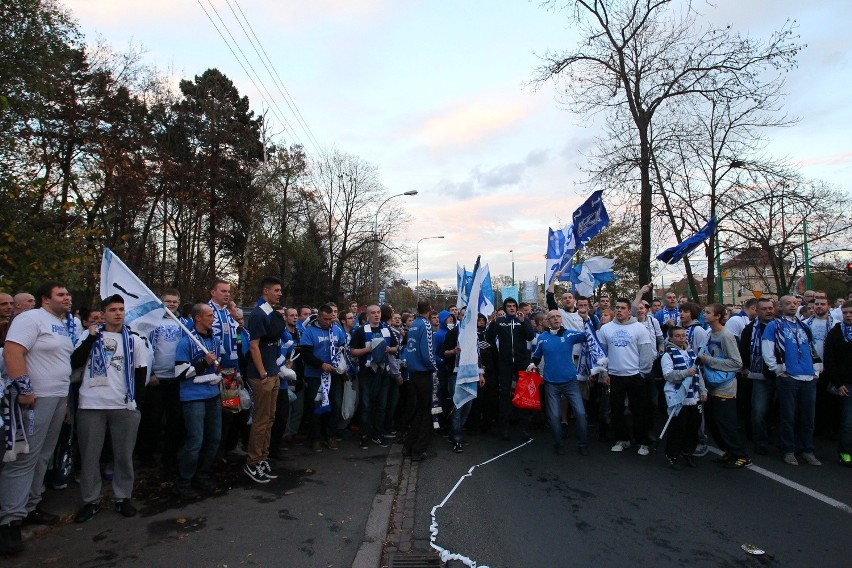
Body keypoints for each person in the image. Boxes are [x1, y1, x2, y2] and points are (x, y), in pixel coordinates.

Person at [0, 282, 75, 554]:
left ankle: (30, 505)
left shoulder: (63, 325)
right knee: (24, 457)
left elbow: (61, 365)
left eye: (68, 295)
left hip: (57, 397)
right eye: (61, 295)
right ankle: (9, 521)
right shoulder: (30, 319)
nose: (67, 298)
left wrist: (65, 400)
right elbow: (12, 351)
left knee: (44, 454)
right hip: (35, 398)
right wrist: (25, 388)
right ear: (45, 299)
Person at [71, 294, 151, 522]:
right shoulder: (88, 337)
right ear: (103, 313)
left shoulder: (134, 340)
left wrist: (137, 404)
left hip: (123, 404)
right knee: (89, 456)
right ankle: (91, 500)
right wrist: (91, 339)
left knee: (123, 455)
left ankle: (122, 497)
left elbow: (140, 372)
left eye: (121, 309)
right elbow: (74, 363)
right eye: (113, 309)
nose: (118, 313)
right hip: (91, 403)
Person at [762, 295, 822, 466]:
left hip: (808, 376)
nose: (792, 306)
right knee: (788, 416)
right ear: (779, 307)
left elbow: (813, 347)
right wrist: (778, 369)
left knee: (808, 417)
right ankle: (788, 449)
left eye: (795, 303)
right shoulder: (775, 326)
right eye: (787, 303)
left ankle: (807, 449)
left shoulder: (804, 326)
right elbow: (767, 348)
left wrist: (816, 369)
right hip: (789, 377)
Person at [174, 304, 225, 498]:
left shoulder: (214, 339)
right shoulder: (185, 342)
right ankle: (184, 481)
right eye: (210, 315)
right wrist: (204, 363)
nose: (213, 319)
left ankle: (202, 475)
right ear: (198, 318)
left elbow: (217, 364)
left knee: (214, 439)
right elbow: (180, 373)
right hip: (193, 398)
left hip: (213, 395)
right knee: (195, 441)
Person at [529, 310, 593, 455]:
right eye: (553, 317)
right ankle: (558, 444)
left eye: (558, 316)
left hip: (570, 381)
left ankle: (582, 444)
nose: (556, 319)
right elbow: (536, 356)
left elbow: (589, 336)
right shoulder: (543, 338)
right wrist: (531, 365)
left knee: (581, 414)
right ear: (548, 321)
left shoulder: (569, 334)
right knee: (554, 416)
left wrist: (586, 319)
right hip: (551, 383)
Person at [597, 298, 656, 456]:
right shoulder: (606, 329)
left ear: (630, 311)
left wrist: (642, 374)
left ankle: (643, 442)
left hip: (635, 376)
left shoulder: (640, 329)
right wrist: (604, 373)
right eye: (617, 307)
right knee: (617, 411)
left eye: (623, 308)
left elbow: (646, 354)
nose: (619, 310)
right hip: (614, 377)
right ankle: (623, 440)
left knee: (639, 411)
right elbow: (602, 354)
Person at [243, 277, 285, 482]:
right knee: (260, 420)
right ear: (266, 291)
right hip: (262, 376)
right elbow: (253, 346)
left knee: (269, 419)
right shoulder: (259, 314)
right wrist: (262, 373)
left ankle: (262, 457)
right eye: (276, 290)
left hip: (273, 372)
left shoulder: (272, 314)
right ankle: (252, 462)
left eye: (280, 290)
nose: (280, 294)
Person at [700, 303, 750, 469]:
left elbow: (736, 363)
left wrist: (709, 361)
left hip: (725, 386)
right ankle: (729, 451)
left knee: (726, 423)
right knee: (714, 423)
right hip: (712, 383)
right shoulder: (709, 335)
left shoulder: (726, 336)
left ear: (718, 316)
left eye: (708, 312)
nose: (704, 315)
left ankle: (741, 455)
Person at [139, 289, 184, 469]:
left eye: (174, 301)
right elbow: (145, 349)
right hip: (157, 378)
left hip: (177, 378)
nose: (171, 304)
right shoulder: (153, 323)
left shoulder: (183, 323)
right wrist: (150, 374)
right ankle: (146, 455)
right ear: (162, 302)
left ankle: (170, 457)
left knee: (175, 421)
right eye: (168, 301)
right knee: (153, 419)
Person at [485, 297, 536, 440]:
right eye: (509, 306)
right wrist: (492, 323)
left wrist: (524, 321)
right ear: (505, 308)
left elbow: (530, 336)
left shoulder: (521, 320)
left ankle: (523, 428)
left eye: (514, 306)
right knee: (504, 395)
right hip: (505, 363)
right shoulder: (500, 322)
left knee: (523, 394)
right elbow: (489, 338)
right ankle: (504, 428)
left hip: (521, 361)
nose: (512, 308)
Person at [350, 305, 398, 449]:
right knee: (366, 405)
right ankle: (364, 435)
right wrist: (369, 349)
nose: (377, 315)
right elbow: (352, 351)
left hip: (383, 372)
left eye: (378, 312)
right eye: (373, 313)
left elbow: (396, 348)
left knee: (381, 405)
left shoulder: (386, 329)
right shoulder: (360, 331)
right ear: (368, 316)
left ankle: (378, 434)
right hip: (367, 373)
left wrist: (388, 349)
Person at [300, 304, 347, 452]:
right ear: (319, 317)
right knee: (317, 407)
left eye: (330, 319)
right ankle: (315, 438)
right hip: (316, 375)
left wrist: (342, 367)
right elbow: (306, 354)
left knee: (335, 404)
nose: (328, 322)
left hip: (334, 376)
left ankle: (330, 435)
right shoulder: (309, 332)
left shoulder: (337, 330)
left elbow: (343, 349)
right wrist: (321, 364)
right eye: (325, 319)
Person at [661, 326, 707, 470]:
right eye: (678, 336)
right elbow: (668, 375)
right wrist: (686, 373)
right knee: (677, 428)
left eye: (683, 335)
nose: (682, 338)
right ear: (671, 338)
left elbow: (698, 374)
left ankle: (687, 451)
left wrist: (703, 390)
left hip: (693, 396)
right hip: (677, 396)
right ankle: (672, 455)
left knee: (693, 426)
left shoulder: (692, 353)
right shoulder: (668, 355)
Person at [738, 298, 776, 455]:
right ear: (757, 311)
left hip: (782, 374)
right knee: (758, 410)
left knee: (777, 409)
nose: (768, 311)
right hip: (760, 375)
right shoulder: (750, 329)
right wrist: (745, 368)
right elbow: (744, 350)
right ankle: (760, 441)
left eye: (770, 308)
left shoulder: (780, 326)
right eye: (764, 309)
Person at [402, 300, 438, 461]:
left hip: (413, 371)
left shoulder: (414, 324)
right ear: (429, 309)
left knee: (418, 410)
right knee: (426, 412)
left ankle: (408, 446)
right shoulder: (426, 325)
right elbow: (427, 351)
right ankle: (419, 449)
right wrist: (433, 366)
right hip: (423, 372)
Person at [824, 303, 852, 466]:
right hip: (846, 383)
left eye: (851, 313)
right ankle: (845, 452)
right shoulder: (836, 332)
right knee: (848, 421)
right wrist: (838, 383)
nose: (848, 316)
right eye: (845, 313)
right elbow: (830, 359)